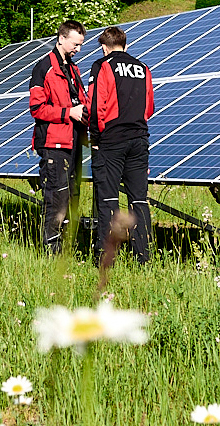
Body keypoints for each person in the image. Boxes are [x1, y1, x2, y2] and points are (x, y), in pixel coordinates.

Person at [88, 25, 154, 264]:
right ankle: (143, 257)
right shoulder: (143, 68)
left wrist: (95, 138)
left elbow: (96, 107)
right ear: (125, 45)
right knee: (138, 199)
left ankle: (105, 256)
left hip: (112, 141)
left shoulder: (102, 66)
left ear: (104, 47)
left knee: (108, 200)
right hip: (139, 139)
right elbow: (149, 108)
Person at [28, 20, 89, 255]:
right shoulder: (44, 68)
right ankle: (51, 249)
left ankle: (67, 246)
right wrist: (68, 113)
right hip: (53, 143)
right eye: (76, 44)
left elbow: (79, 100)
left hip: (74, 140)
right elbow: (37, 109)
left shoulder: (73, 69)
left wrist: (83, 113)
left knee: (72, 194)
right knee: (57, 196)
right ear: (62, 38)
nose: (78, 49)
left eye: (81, 45)